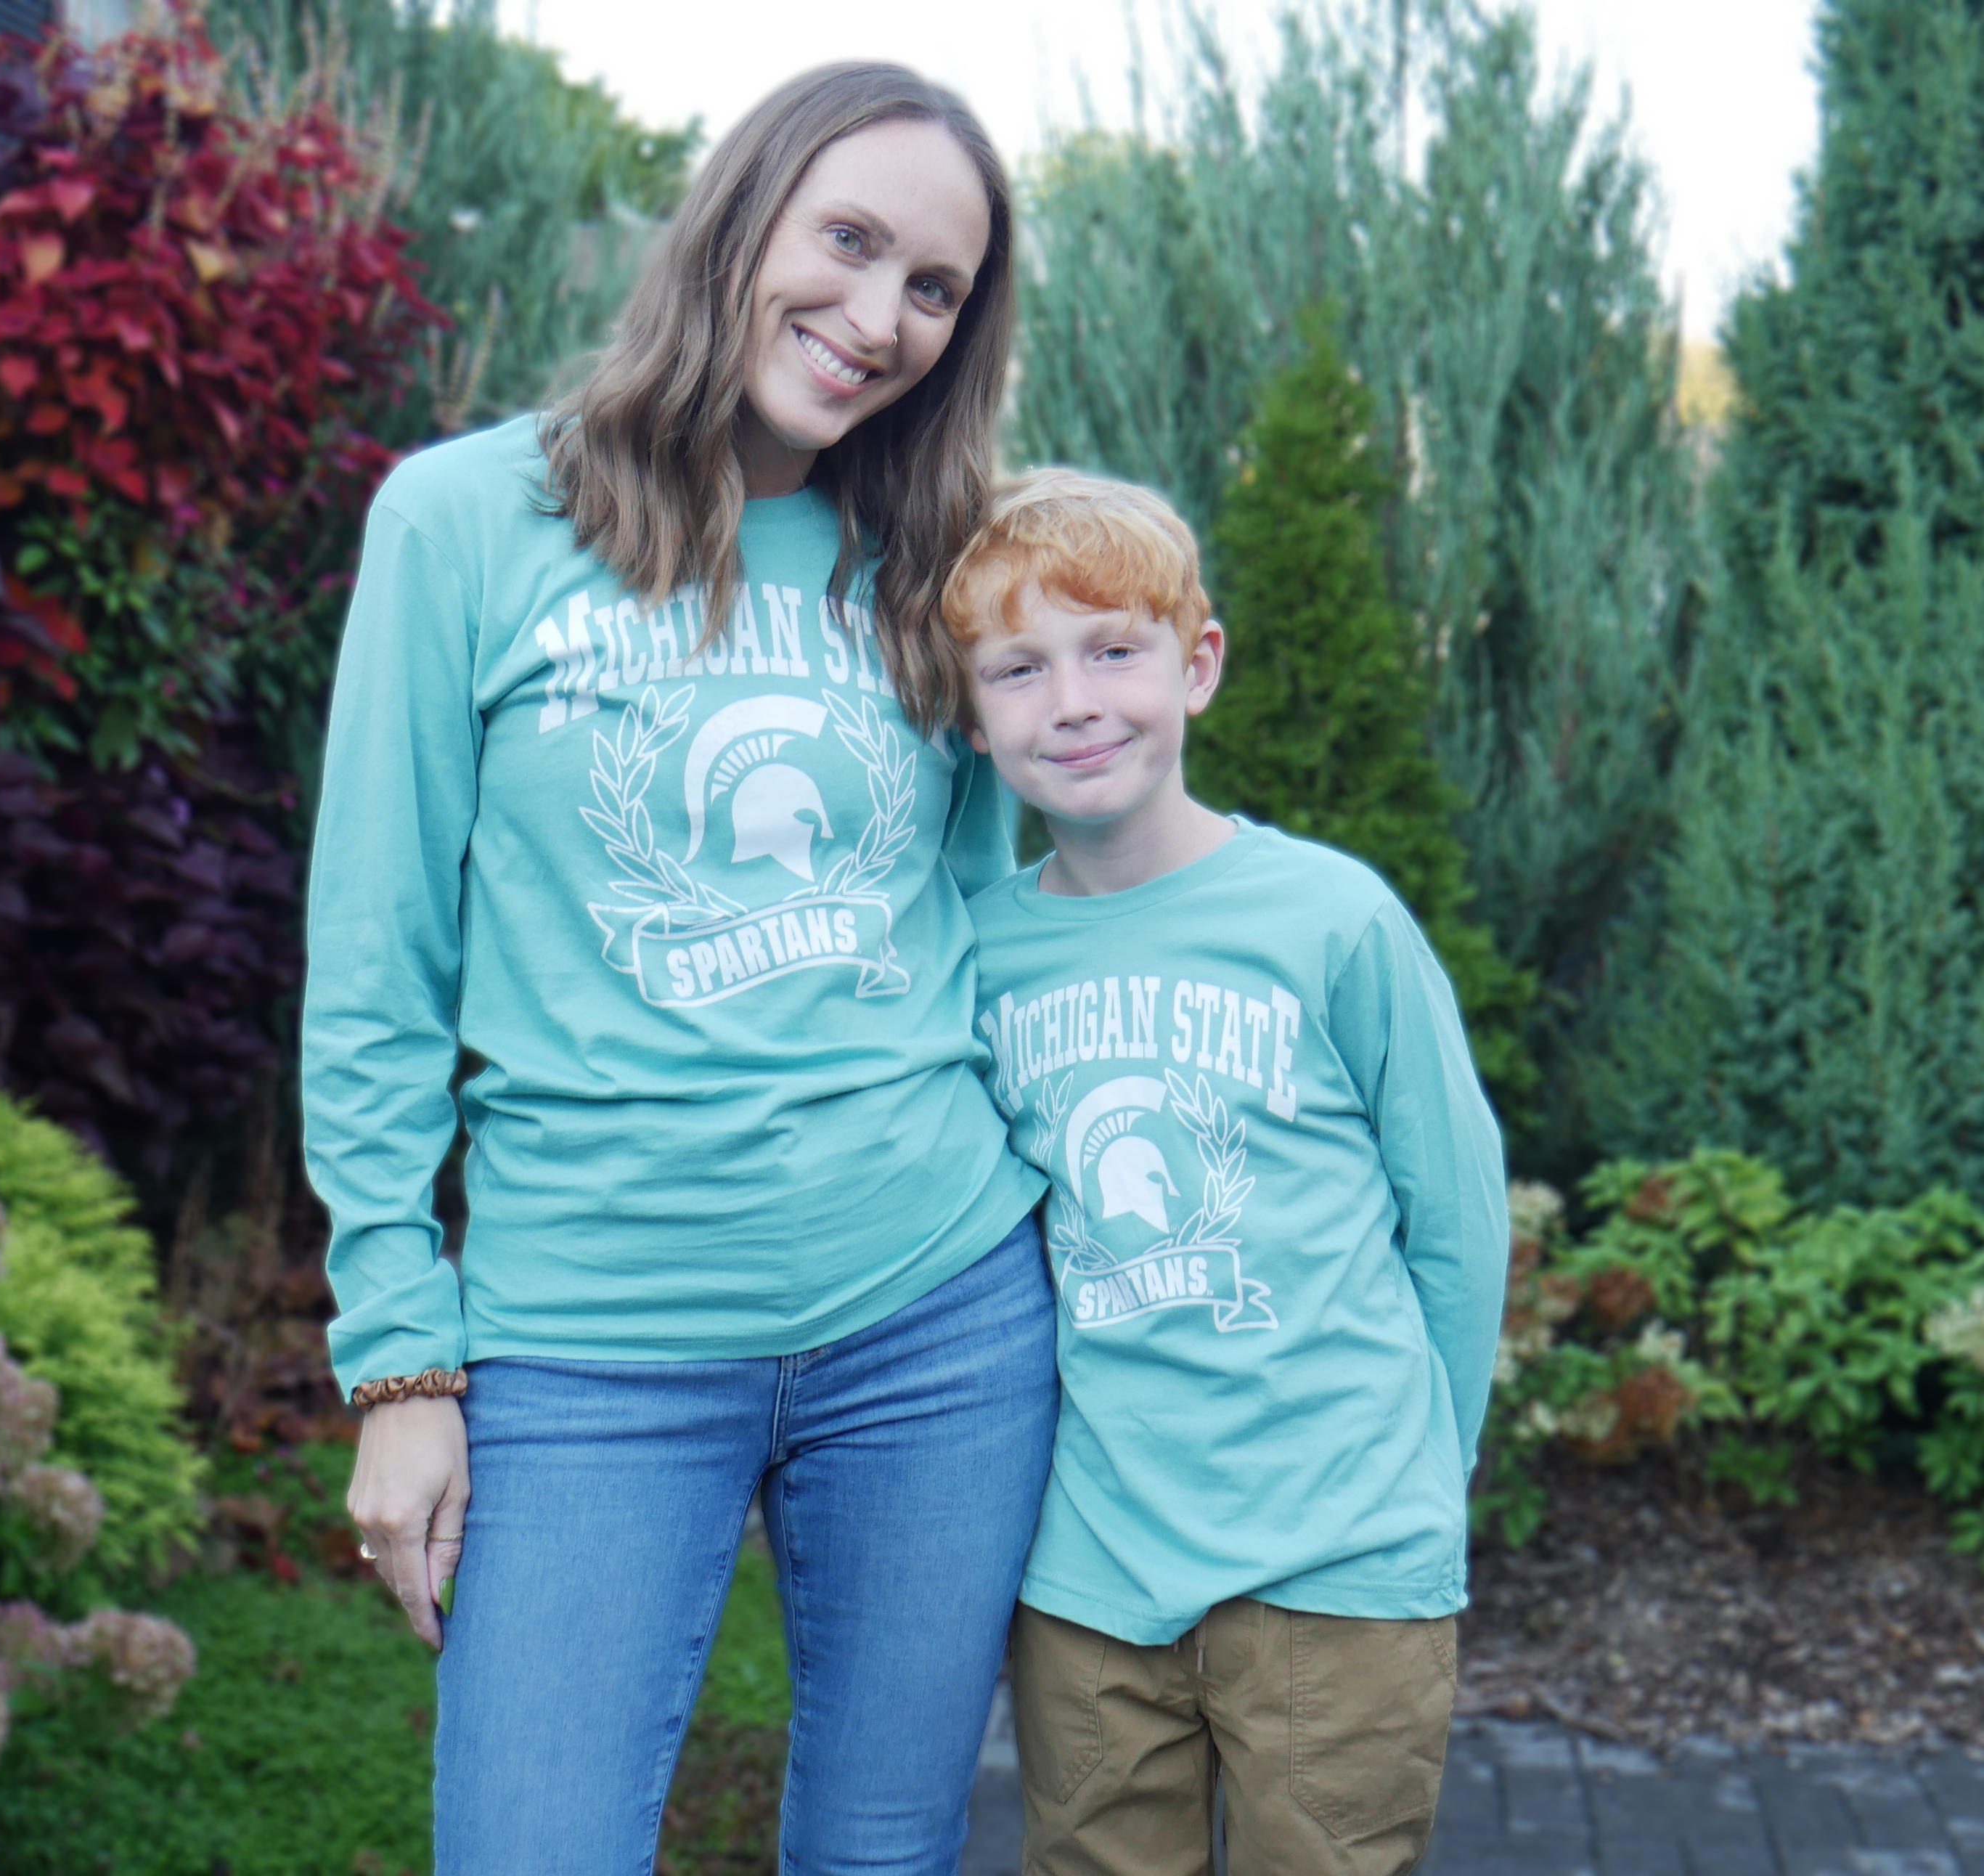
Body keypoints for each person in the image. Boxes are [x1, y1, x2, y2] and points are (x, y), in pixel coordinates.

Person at [301, 65, 1056, 1873]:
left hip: (939, 1319)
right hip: (589, 1348)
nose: (878, 320)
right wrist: (403, 1368)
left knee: (883, 1851)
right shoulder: (468, 521)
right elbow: (375, 970)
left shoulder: (938, 559)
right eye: (851, 242)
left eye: (934, 288)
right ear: (744, 221)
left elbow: (983, 931)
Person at [943, 470, 1509, 1876]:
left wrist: (1422, 1478)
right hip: (1090, 1572)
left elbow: (1456, 1220)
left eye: (1111, 649)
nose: (1071, 701)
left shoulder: (1330, 918)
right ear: (969, 715)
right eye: (1017, 667)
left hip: (1336, 1566)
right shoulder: (976, 956)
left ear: (1196, 664)